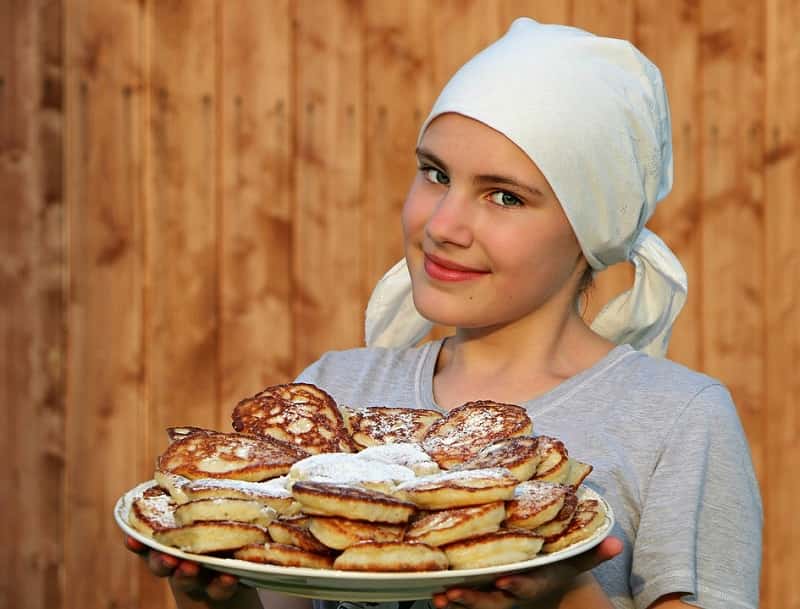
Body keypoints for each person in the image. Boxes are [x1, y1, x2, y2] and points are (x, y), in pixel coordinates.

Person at [126, 17, 762, 609]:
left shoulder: (676, 419)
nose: (443, 224)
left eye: (505, 196)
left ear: (590, 228)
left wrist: (563, 598)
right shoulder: (334, 393)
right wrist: (219, 597)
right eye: (435, 174)